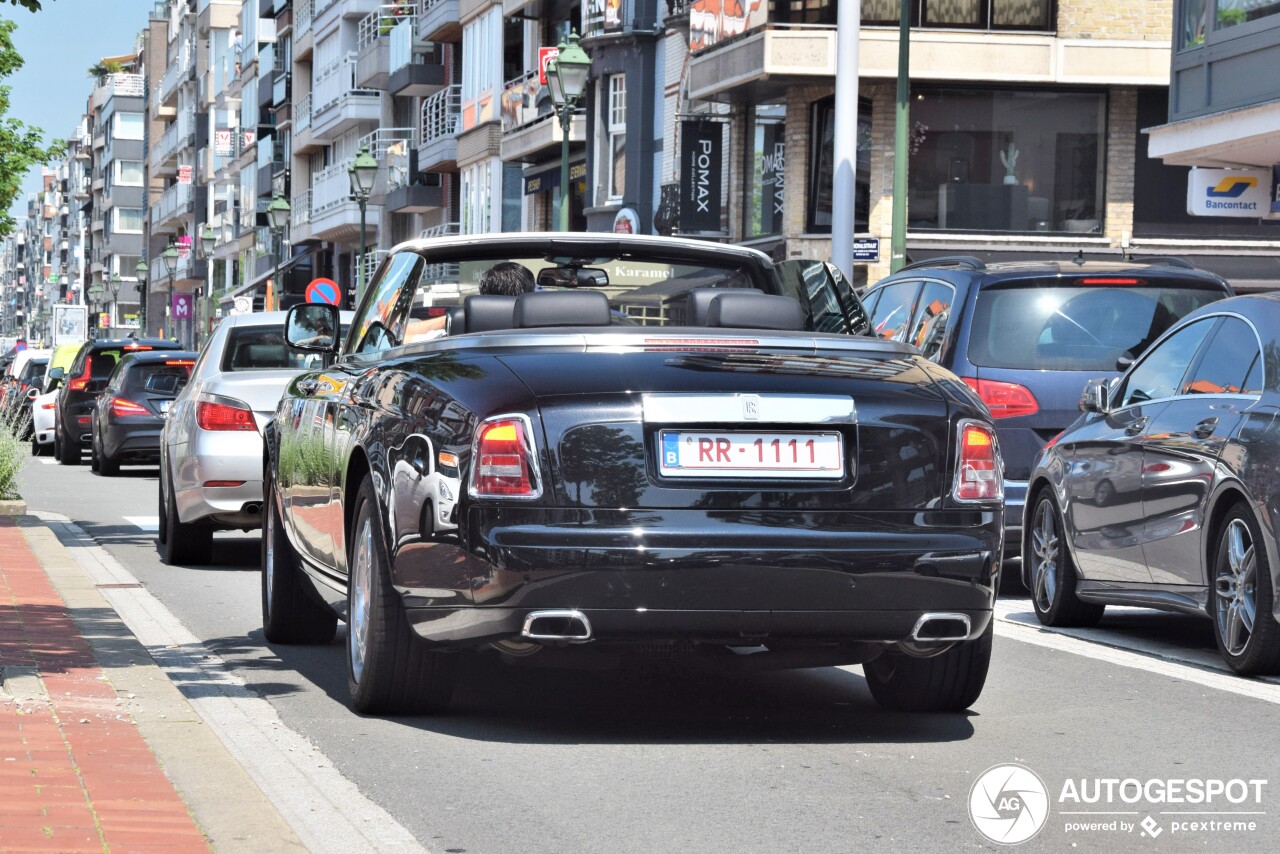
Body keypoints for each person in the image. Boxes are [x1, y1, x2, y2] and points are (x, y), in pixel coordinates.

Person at [403, 262, 535, 340]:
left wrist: (457, 318)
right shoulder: (549, 333)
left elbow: (399, 338)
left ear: (485, 298)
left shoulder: (455, 338)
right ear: (531, 294)